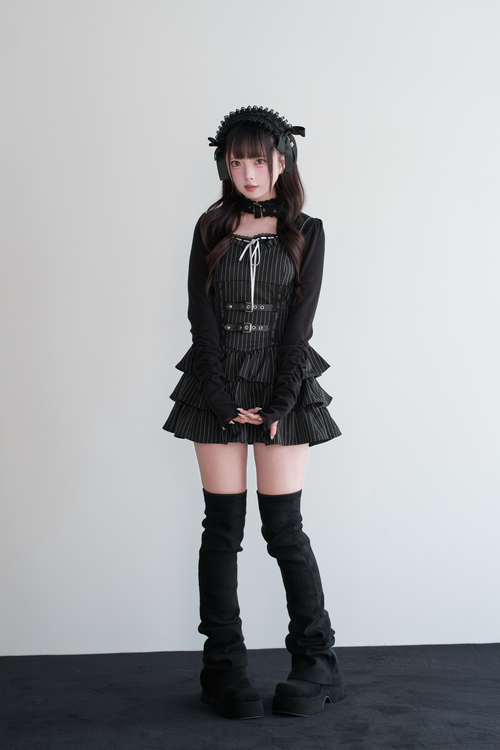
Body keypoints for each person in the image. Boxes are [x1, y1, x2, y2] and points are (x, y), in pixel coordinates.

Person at [163, 106, 344, 719]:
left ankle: (316, 664)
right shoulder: (210, 227)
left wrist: (281, 401)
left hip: (281, 381)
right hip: (215, 379)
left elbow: (301, 324)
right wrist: (217, 395)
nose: (247, 172)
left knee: (284, 530)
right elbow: (201, 317)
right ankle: (223, 670)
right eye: (235, 160)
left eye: (258, 160)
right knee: (222, 530)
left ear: (282, 161)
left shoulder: (308, 230)